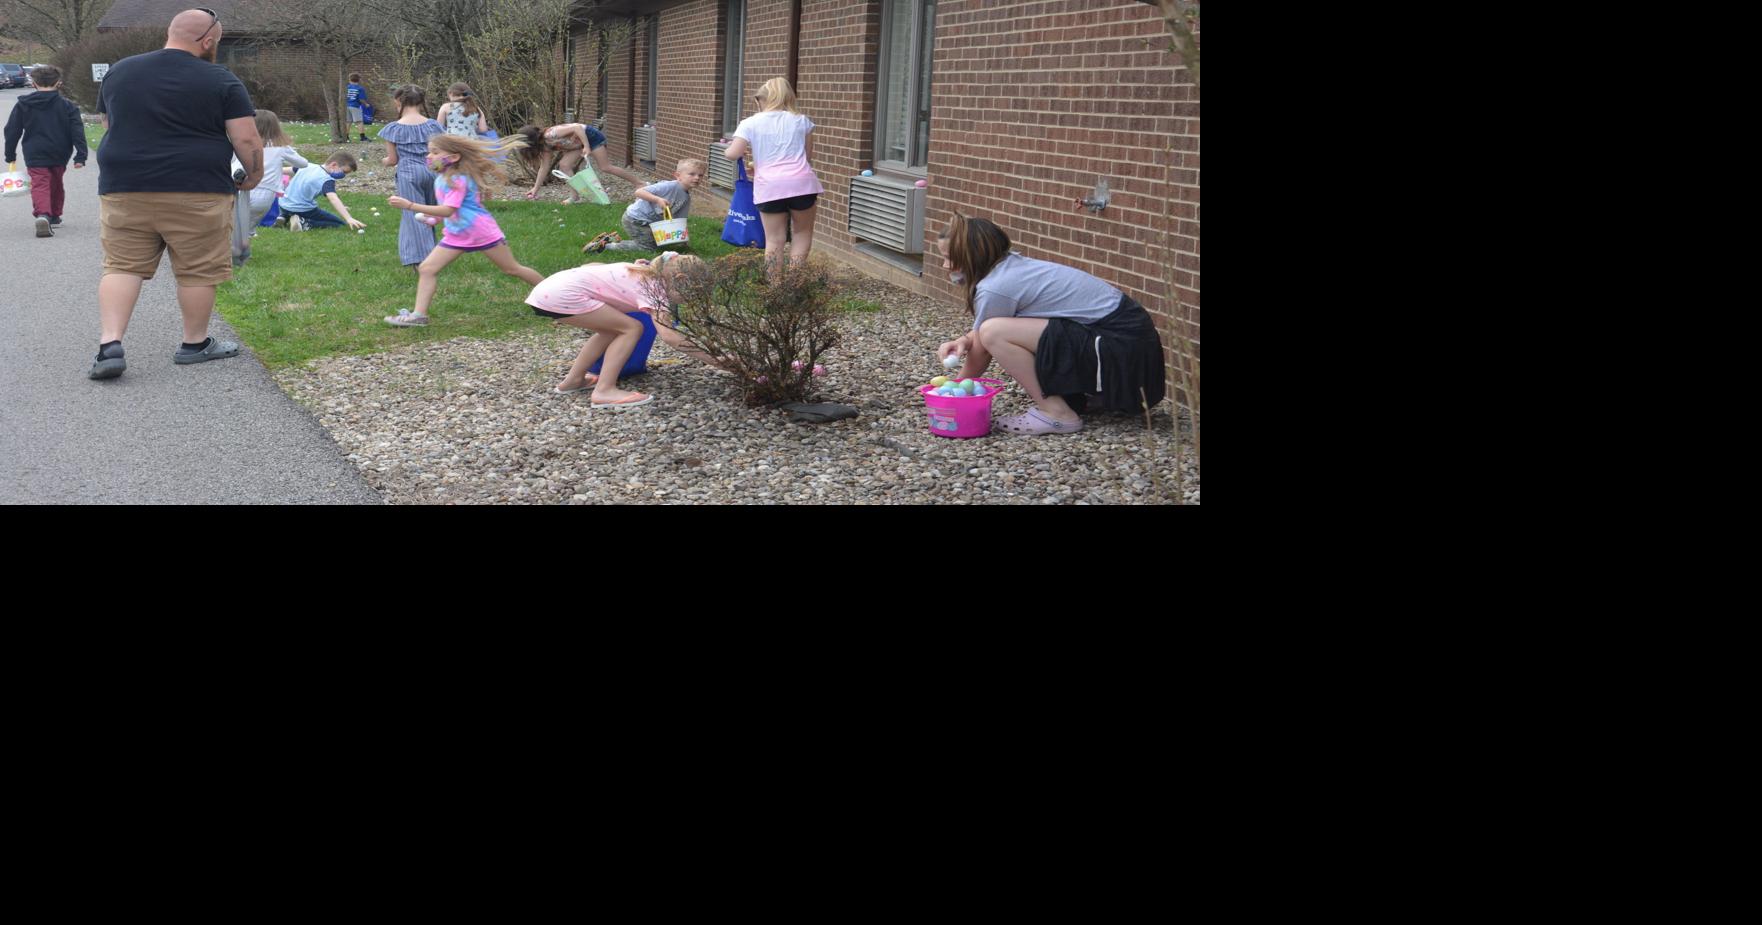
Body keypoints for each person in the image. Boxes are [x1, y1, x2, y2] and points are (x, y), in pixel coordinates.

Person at [88, 7, 263, 381]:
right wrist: (254, 173)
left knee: (122, 265)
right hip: (197, 186)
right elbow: (246, 138)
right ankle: (194, 344)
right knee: (198, 269)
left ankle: (110, 344)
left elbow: (108, 123)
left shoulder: (120, 71)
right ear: (208, 40)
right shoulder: (220, 78)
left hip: (125, 185)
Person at [935, 215, 1166, 435]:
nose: (945, 265)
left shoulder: (995, 287)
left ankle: (1058, 414)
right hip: (1131, 349)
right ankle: (1089, 397)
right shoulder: (1011, 266)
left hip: (1122, 350)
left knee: (994, 333)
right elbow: (981, 333)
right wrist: (965, 340)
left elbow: (984, 346)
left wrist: (952, 391)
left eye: (950, 258)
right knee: (995, 330)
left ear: (973, 256)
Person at [383, 133, 543, 327]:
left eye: (435, 152)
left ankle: (556, 294)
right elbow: (448, 209)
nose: (429, 156)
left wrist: (410, 205)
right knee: (427, 268)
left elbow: (449, 209)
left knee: (511, 269)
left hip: (480, 232)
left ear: (454, 157)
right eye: (429, 152)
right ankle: (419, 315)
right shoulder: (442, 178)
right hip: (457, 234)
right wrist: (435, 219)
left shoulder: (457, 179)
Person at [527, 251, 707, 409]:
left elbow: (591, 267)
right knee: (632, 328)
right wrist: (713, 359)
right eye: (691, 293)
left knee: (611, 331)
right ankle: (604, 390)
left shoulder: (644, 270)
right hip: (562, 295)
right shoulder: (653, 289)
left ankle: (573, 380)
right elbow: (669, 336)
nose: (690, 300)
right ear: (680, 279)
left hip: (548, 290)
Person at [723, 77, 822, 268]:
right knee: (802, 233)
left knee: (774, 239)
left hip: (770, 186)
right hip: (802, 183)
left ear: (761, 100)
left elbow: (733, 153)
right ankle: (795, 279)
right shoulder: (802, 121)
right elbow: (806, 157)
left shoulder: (750, 123)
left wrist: (728, 150)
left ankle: (774, 284)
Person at [3, 64, 87, 238]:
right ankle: (54, 215)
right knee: (56, 182)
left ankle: (43, 214)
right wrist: (81, 155)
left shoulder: (23, 104)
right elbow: (77, 131)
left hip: (34, 152)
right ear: (59, 83)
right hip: (60, 151)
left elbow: (12, 130)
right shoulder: (68, 106)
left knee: (40, 183)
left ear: (33, 83)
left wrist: (10, 154)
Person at [376, 85, 443, 267]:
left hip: (408, 174)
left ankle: (421, 260)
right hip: (432, 172)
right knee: (429, 214)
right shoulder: (433, 125)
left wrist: (383, 161)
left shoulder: (393, 129)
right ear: (421, 101)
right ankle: (433, 255)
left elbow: (392, 160)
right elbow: (441, 154)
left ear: (398, 102)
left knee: (414, 216)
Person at [587, 157, 706, 253]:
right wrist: (657, 199)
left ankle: (612, 238)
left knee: (660, 243)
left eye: (700, 175)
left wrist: (683, 241)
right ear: (678, 176)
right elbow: (639, 192)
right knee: (648, 248)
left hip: (650, 223)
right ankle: (606, 246)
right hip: (636, 219)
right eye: (692, 174)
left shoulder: (686, 197)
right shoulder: (668, 186)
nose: (697, 178)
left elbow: (679, 221)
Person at [516, 121, 644, 203]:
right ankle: (575, 197)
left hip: (591, 138)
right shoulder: (545, 146)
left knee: (605, 167)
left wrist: (586, 146)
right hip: (577, 144)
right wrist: (535, 188)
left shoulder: (551, 134)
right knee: (564, 165)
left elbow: (577, 128)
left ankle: (639, 183)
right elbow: (544, 167)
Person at [245, 108, 307, 226]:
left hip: (242, 189)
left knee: (237, 224)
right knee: (251, 226)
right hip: (266, 192)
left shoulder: (243, 144)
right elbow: (303, 164)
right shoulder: (281, 148)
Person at [281, 152, 364, 231]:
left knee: (291, 209)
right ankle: (304, 223)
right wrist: (348, 218)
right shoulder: (326, 180)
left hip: (283, 205)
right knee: (339, 224)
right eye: (344, 172)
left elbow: (282, 170)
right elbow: (333, 199)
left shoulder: (307, 165)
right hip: (302, 210)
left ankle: (283, 217)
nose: (343, 175)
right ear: (334, 165)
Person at [346, 72, 368, 141]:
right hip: (355, 106)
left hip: (347, 106)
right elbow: (361, 99)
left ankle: (346, 136)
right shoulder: (360, 88)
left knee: (348, 121)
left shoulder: (347, 87)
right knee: (359, 122)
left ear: (350, 79)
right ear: (359, 80)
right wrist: (366, 104)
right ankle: (362, 137)